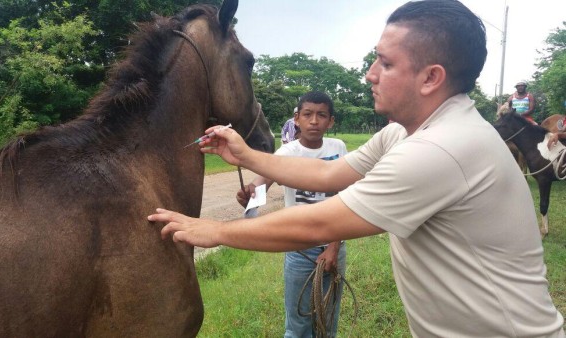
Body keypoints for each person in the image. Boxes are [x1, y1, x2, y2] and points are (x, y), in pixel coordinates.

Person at [150, 1, 565, 336]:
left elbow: (317, 224)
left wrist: (209, 230)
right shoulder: (405, 134)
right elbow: (329, 174)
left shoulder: (442, 148)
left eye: (384, 63)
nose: (369, 74)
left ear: (430, 78)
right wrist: (245, 155)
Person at [237, 91, 348, 337]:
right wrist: (250, 193)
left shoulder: (338, 148)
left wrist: (334, 246)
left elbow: (346, 199)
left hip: (333, 244)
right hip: (299, 249)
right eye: (307, 114)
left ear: (331, 121)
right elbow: (262, 183)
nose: (314, 121)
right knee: (298, 325)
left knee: (328, 320)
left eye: (322, 115)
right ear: (296, 119)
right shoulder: (287, 153)